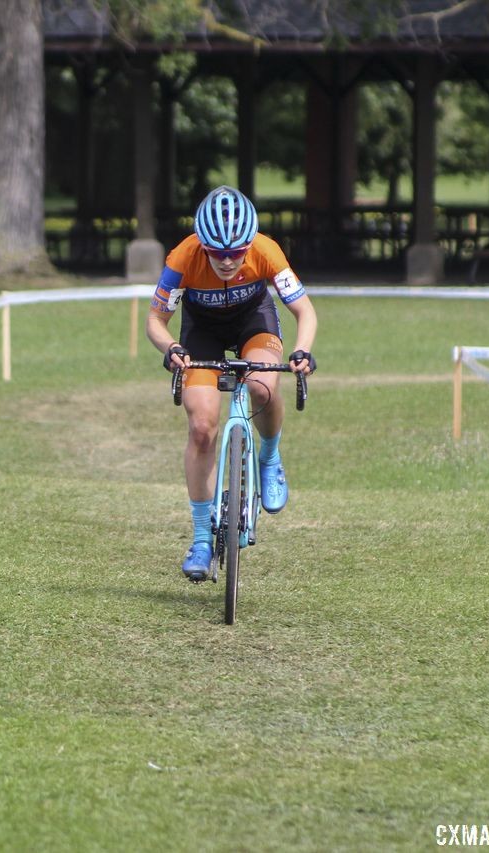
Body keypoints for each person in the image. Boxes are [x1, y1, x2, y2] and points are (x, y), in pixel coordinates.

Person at [146, 185, 318, 582]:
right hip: (200, 330)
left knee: (263, 385)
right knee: (203, 426)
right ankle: (202, 537)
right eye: (216, 252)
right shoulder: (183, 257)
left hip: (252, 321)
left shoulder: (267, 251)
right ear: (201, 245)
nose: (226, 261)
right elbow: (155, 320)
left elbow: (304, 311)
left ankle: (270, 456)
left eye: (236, 252)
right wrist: (170, 346)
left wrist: (302, 350)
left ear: (250, 244)